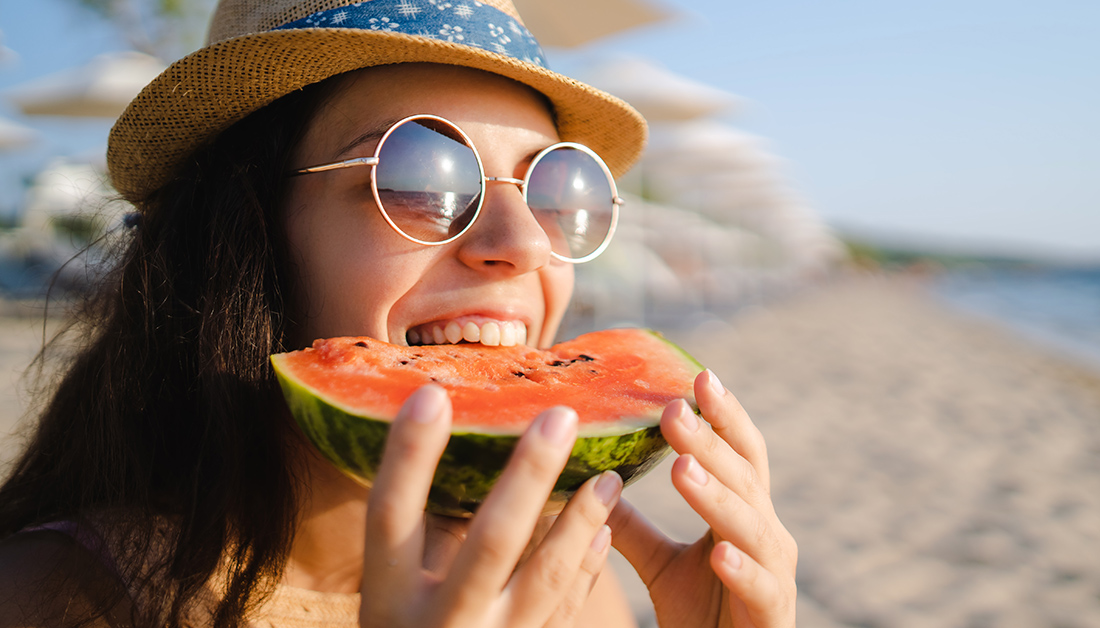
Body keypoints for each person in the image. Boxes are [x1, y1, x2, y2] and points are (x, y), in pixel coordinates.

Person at [0, 1, 798, 626]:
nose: (521, 242)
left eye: (557, 188)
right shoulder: (47, 600)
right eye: (423, 174)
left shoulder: (567, 589)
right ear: (245, 234)